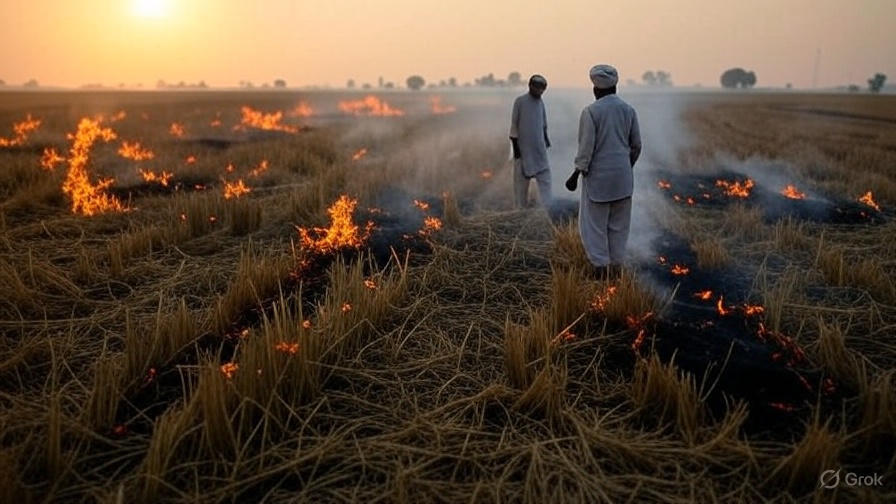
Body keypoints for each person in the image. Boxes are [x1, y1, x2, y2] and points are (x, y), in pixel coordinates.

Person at [569, 64, 641, 277]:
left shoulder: (591, 112)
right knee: (619, 227)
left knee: (594, 227)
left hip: (598, 181)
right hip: (623, 179)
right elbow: (636, 146)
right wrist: (625, 167)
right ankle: (617, 268)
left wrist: (576, 173)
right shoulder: (628, 110)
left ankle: (600, 269)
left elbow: (586, 149)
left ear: (595, 89)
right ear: (615, 87)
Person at [509, 75, 552, 208]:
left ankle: (548, 208)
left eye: (542, 89)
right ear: (530, 86)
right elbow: (514, 127)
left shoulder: (540, 103)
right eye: (538, 88)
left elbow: (543, 125)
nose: (540, 91)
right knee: (520, 186)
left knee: (546, 181)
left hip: (539, 151)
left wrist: (546, 140)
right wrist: (516, 151)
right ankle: (520, 211)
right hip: (523, 151)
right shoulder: (520, 102)